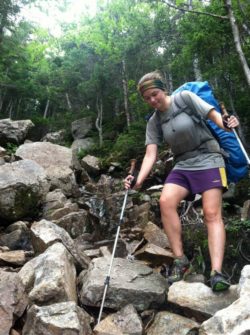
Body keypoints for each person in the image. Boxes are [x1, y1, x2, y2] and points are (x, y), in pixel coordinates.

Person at [124, 70, 240, 292]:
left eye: (154, 94)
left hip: (209, 158)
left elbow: (216, 119)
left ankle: (216, 272)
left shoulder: (185, 98)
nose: (152, 101)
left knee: (211, 213)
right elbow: (151, 154)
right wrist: (137, 180)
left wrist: (228, 123)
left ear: (163, 89)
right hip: (183, 164)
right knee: (166, 201)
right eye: (147, 98)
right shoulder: (154, 122)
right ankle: (181, 260)